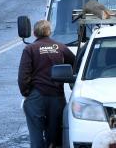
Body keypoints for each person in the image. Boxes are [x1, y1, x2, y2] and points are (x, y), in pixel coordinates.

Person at [18, 20, 75, 148]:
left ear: (34, 33)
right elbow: (76, 65)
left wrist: (26, 93)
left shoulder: (30, 49)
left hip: (36, 96)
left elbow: (23, 76)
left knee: (36, 134)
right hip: (57, 97)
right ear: (49, 32)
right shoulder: (61, 47)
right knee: (55, 136)